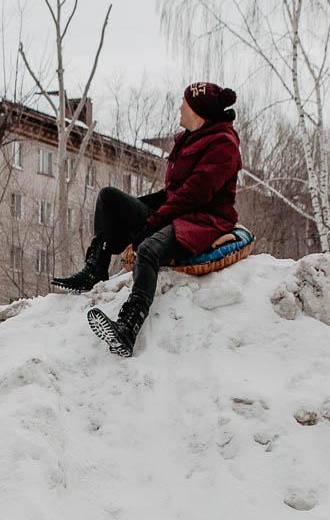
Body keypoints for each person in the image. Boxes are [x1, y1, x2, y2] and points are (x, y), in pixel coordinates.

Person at [51, 81, 242, 356]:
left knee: (149, 249)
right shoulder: (190, 137)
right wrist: (149, 210)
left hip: (204, 220)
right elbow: (175, 192)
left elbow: (194, 195)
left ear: (198, 111)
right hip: (177, 211)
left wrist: (153, 223)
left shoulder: (223, 145)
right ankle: (95, 269)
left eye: (185, 104)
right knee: (108, 198)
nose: (180, 107)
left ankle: (128, 328)